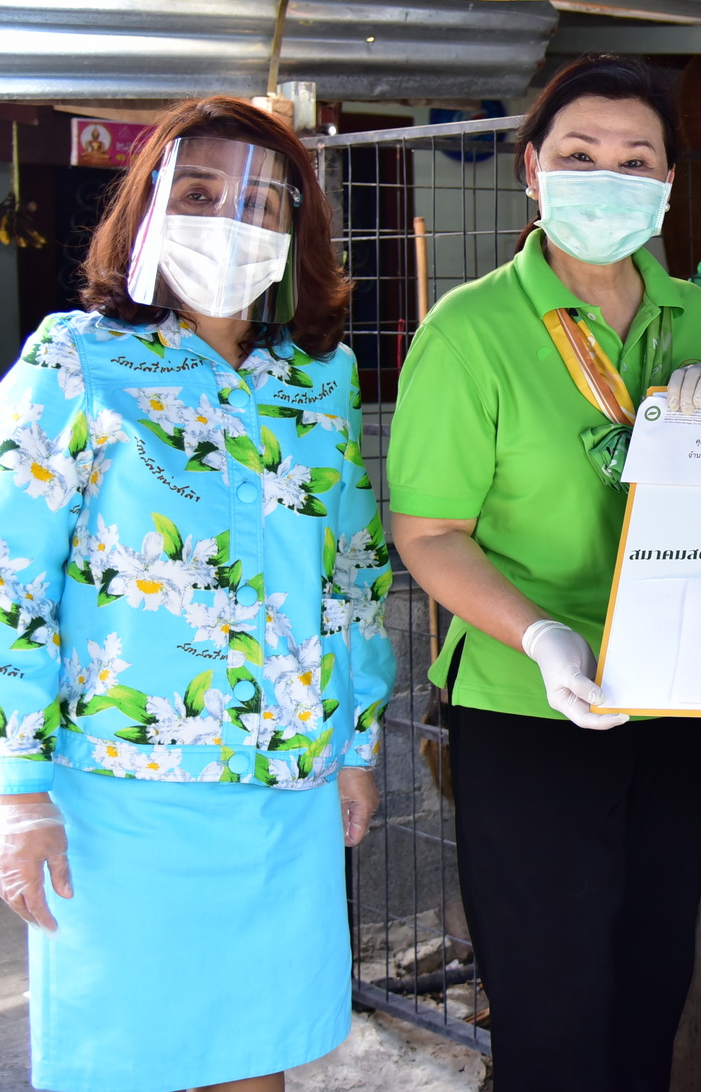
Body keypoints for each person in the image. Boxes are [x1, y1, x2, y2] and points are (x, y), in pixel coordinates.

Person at [388, 54, 701, 1090]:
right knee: (551, 999)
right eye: (579, 154)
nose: (606, 178)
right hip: (530, 698)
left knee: (650, 977)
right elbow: (428, 533)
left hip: (675, 691)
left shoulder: (699, 318)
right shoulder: (470, 331)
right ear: (532, 169)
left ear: (666, 183)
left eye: (635, 159)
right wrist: (541, 635)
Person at [0, 98, 394, 1092]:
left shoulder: (320, 377)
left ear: (295, 230)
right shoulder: (75, 359)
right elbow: (13, 577)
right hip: (122, 790)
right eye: (201, 193)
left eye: (260, 203)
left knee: (254, 1060)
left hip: (285, 789)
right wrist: (18, 790)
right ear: (147, 211)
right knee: (126, 1063)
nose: (230, 220)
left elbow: (351, 573)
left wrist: (356, 744)